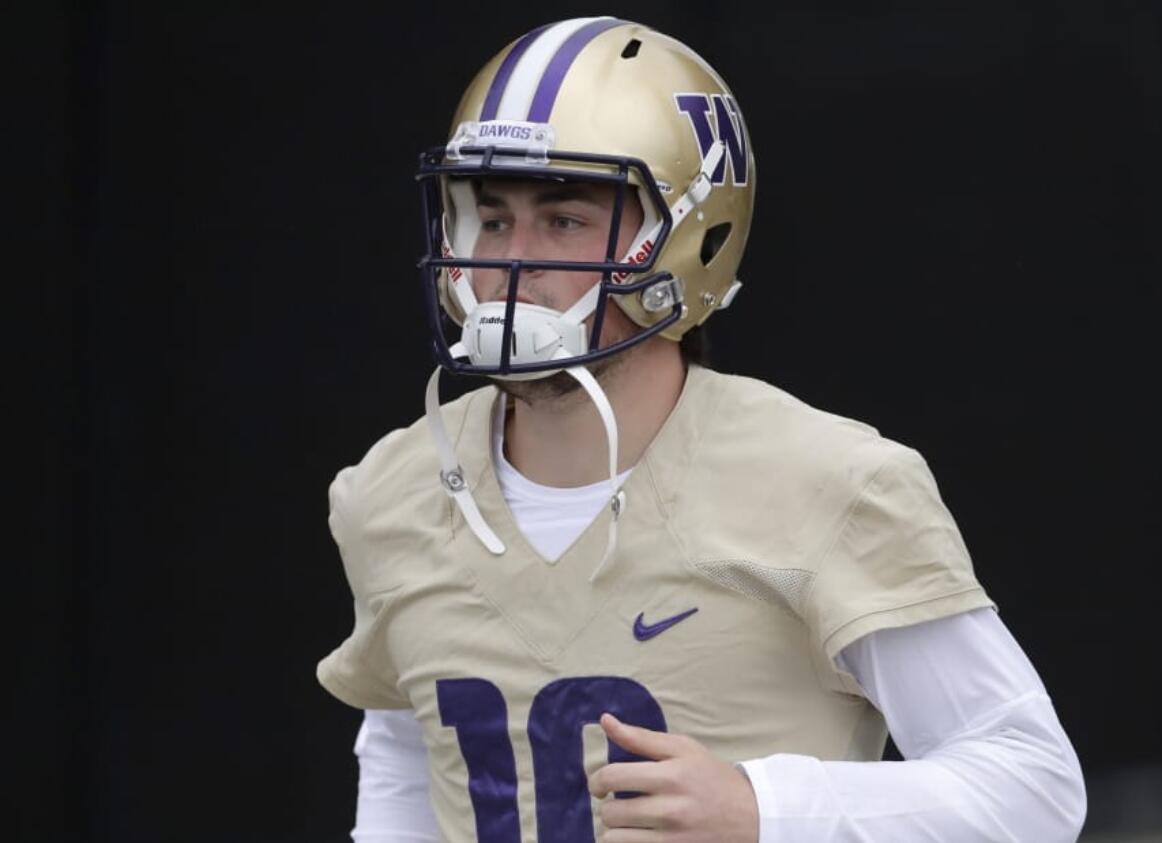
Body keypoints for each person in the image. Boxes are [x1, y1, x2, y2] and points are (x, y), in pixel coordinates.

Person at [318, 16, 1086, 843]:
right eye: (491, 218)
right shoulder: (393, 490)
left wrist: (766, 809)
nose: (513, 260)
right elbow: (410, 764)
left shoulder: (827, 479)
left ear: (689, 238)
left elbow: (1032, 784)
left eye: (565, 219)